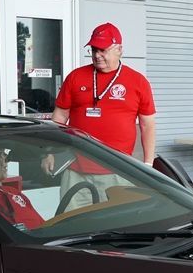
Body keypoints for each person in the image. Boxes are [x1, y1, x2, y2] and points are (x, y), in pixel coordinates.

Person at [47, 23, 156, 209]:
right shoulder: (76, 77)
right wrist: (50, 151)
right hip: (75, 169)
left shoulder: (138, 81)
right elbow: (59, 116)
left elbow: (148, 125)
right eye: (94, 49)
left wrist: (148, 163)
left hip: (118, 171)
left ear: (119, 50)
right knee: (70, 224)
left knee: (116, 226)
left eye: (103, 50)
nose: (97, 55)